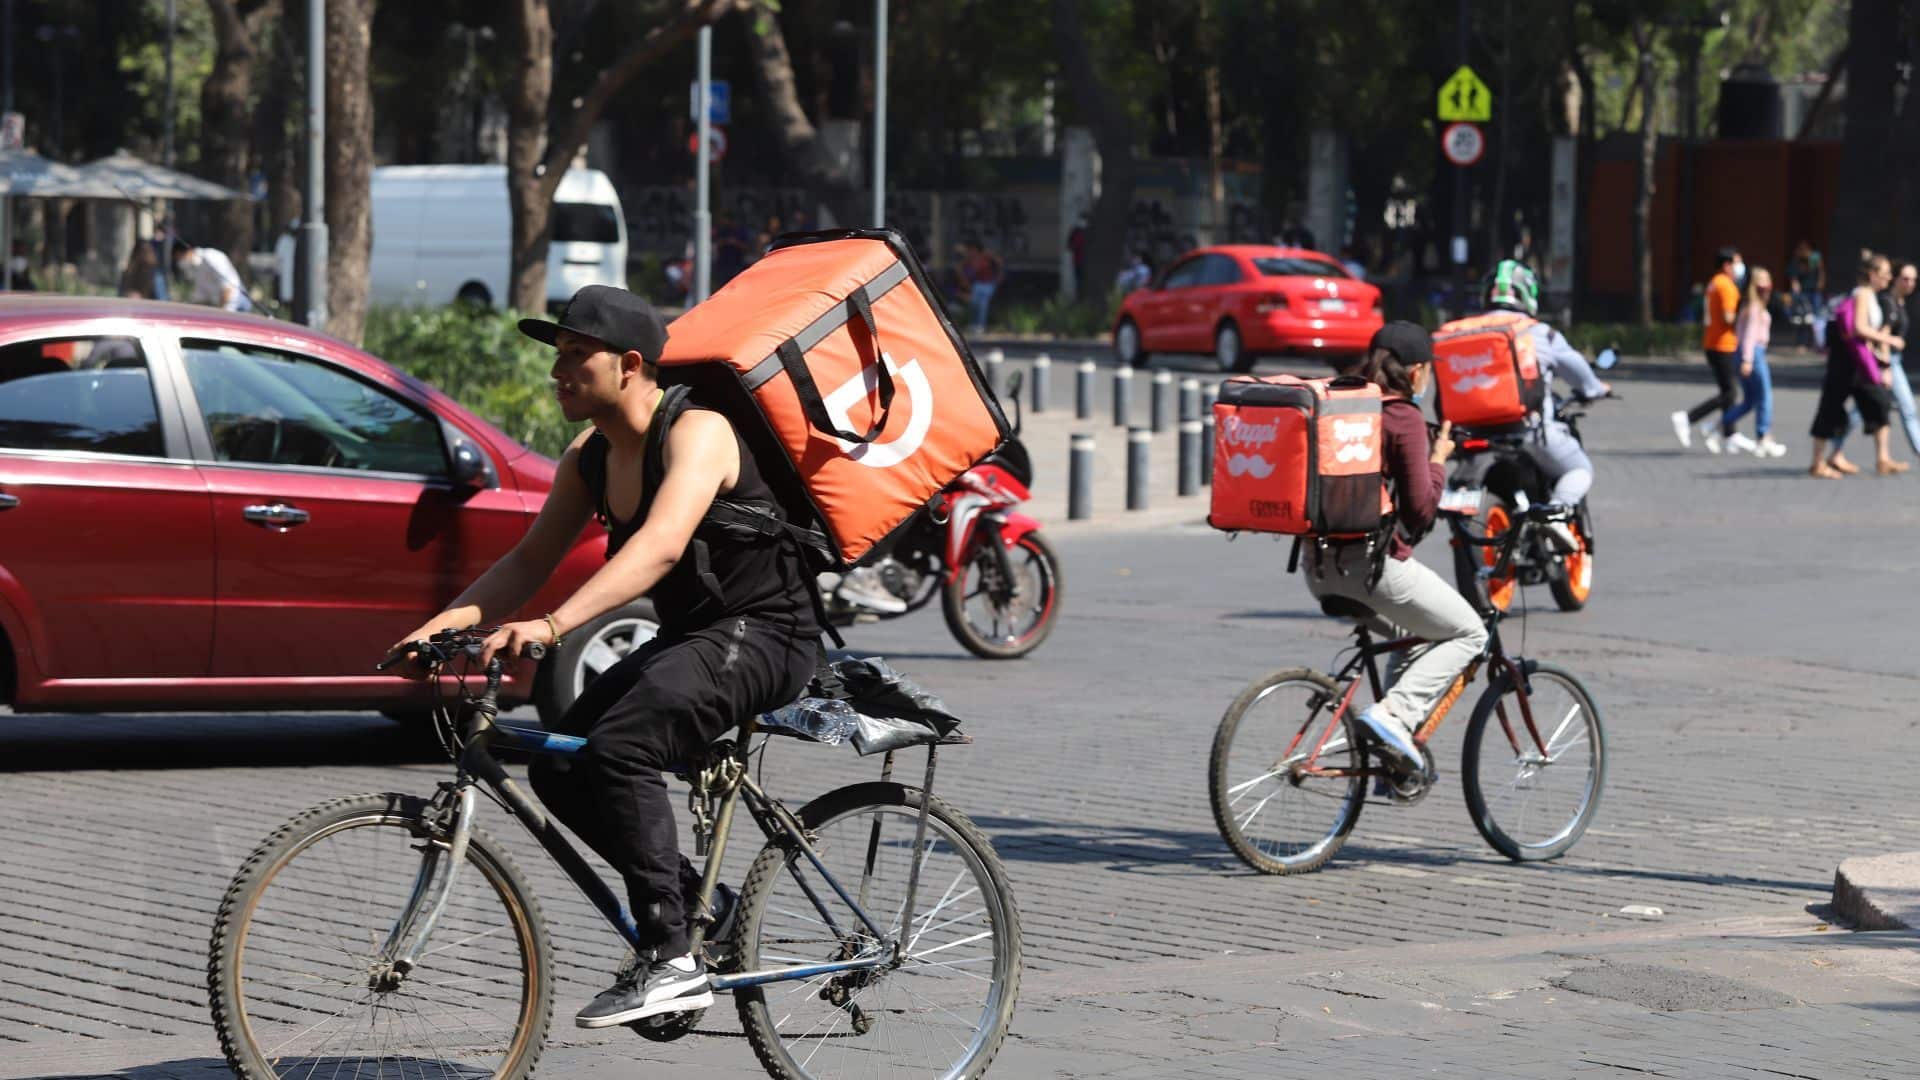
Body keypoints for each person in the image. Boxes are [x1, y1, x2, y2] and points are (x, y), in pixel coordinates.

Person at [386, 285, 820, 1027]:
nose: (558, 373)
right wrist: (437, 627)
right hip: (697, 637)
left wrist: (551, 628)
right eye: (555, 357)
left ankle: (673, 959)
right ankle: (693, 903)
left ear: (629, 365)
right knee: (560, 763)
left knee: (621, 746)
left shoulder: (698, 432)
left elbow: (658, 548)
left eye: (574, 357)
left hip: (767, 631)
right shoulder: (590, 458)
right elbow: (527, 561)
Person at [1304, 321, 1487, 777]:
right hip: (1371, 569)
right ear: (1419, 370)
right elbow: (1422, 511)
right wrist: (1438, 460)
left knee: (1416, 634)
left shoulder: (1343, 403)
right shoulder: (1401, 415)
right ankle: (1393, 716)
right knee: (1470, 633)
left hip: (1317, 566)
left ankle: (1392, 754)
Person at [1476, 260, 1609, 550]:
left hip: (1471, 435)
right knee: (1579, 469)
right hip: (1526, 431)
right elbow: (1581, 377)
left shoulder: (1464, 330)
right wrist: (1596, 389)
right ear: (1527, 295)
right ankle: (1555, 515)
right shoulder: (1538, 333)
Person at [1809, 253, 1906, 478]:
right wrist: (1889, 341)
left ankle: (1882, 458)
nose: (1889, 278)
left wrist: (1880, 356)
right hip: (1847, 363)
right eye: (1885, 273)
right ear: (1872, 275)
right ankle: (1818, 463)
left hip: (1861, 363)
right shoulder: (1862, 294)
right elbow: (1859, 329)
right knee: (1831, 407)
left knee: (1879, 404)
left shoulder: (1871, 295)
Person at [1830, 259, 1920, 463]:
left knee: (1870, 407)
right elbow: (1863, 329)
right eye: (1905, 279)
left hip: (1880, 361)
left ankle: (1875, 456)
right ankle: (1837, 447)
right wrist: (1886, 364)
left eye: (1914, 280)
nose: (1910, 283)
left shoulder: (1891, 301)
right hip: (1884, 362)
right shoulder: (1882, 301)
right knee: (1900, 407)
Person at [1671, 246, 1743, 452]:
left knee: (1728, 391)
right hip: (1723, 344)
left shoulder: (1714, 283)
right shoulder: (1727, 286)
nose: (1740, 267)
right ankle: (1688, 417)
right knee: (1730, 393)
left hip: (1713, 342)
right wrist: (1746, 317)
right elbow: (1729, 317)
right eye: (1737, 262)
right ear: (1727, 265)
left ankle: (1730, 434)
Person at [1721, 266, 1786, 457]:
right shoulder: (1755, 306)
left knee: (1750, 400)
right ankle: (1763, 437)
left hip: (1744, 352)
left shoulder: (1751, 304)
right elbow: (1749, 336)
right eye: (1763, 280)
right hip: (1753, 353)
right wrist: (1748, 360)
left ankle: (1719, 424)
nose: (1768, 284)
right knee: (1764, 396)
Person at [171, 239, 252, 312]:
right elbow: (201, 296)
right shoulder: (194, 268)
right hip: (221, 305)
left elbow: (228, 288)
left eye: (180, 257)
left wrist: (221, 313)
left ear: (188, 251)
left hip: (236, 305)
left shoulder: (211, 258)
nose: (180, 262)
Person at [1788, 240, 1828, 349]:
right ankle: (1802, 342)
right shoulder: (1796, 260)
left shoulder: (1815, 258)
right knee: (1803, 318)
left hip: (1814, 291)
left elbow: (1820, 271)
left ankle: (1817, 342)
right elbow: (1794, 277)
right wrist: (1795, 288)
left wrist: (1821, 283)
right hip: (1803, 292)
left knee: (1816, 317)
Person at [964, 240, 1004, 333]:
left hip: (988, 284)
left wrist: (998, 278)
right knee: (974, 303)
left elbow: (999, 263)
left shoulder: (987, 257)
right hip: (977, 284)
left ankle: (980, 325)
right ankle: (973, 324)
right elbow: (964, 268)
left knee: (982, 303)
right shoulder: (972, 260)